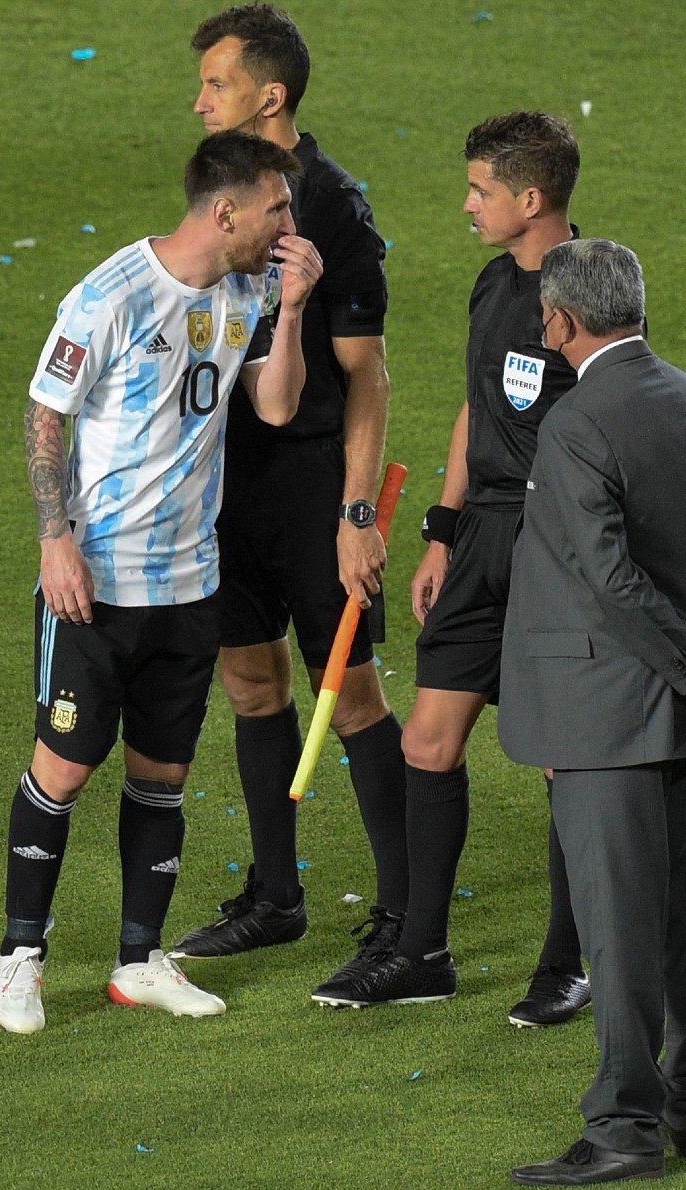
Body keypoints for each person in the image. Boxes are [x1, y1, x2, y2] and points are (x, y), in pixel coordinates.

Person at [0, 131, 322, 1035]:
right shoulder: (112, 295)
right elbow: (44, 413)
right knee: (62, 769)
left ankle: (139, 959)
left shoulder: (253, 287)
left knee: (162, 777)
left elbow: (278, 403)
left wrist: (291, 309)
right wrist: (55, 539)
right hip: (94, 587)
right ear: (226, 211)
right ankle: (21, 954)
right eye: (277, 209)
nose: (289, 223)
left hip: (189, 581)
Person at [500, 239, 686, 1186]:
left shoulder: (579, 422)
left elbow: (605, 578)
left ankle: (623, 1127)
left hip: (606, 716)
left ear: (562, 323)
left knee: (618, 929)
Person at [309, 111, 589, 1025]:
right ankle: (423, 951)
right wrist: (441, 529)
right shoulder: (492, 283)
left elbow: (614, 422)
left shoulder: (590, 291)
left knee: (560, 761)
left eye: (482, 190)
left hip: (558, 544)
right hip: (482, 542)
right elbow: (479, 407)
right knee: (428, 742)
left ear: (530, 198)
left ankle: (567, 961)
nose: (468, 204)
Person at [168, 5, 411, 990]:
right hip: (222, 484)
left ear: (269, 96)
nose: (197, 101)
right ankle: (275, 897)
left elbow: (367, 378)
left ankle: (405, 914)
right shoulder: (223, 194)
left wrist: (356, 516)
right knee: (250, 684)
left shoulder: (335, 211)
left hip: (311, 485)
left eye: (215, 85)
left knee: (349, 698)